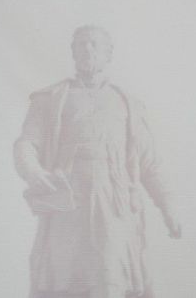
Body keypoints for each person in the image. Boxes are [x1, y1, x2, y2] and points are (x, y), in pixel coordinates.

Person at [14, 26, 180, 298]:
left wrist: (168, 206)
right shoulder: (51, 99)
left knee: (110, 277)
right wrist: (32, 170)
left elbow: (150, 163)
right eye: (81, 44)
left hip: (113, 205)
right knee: (64, 282)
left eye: (94, 44)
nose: (87, 49)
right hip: (68, 205)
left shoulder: (127, 104)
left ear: (108, 53)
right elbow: (26, 143)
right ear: (73, 52)